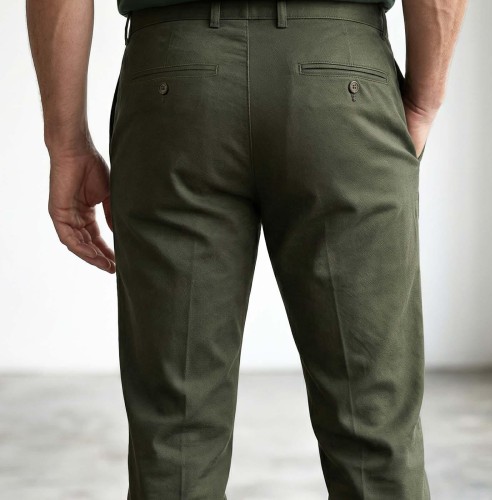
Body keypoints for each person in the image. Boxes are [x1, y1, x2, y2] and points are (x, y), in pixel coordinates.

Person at [26, 0, 468, 498]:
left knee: (175, 435)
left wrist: (66, 143)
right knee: (374, 420)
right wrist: (424, 101)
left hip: (174, 79)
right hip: (340, 77)